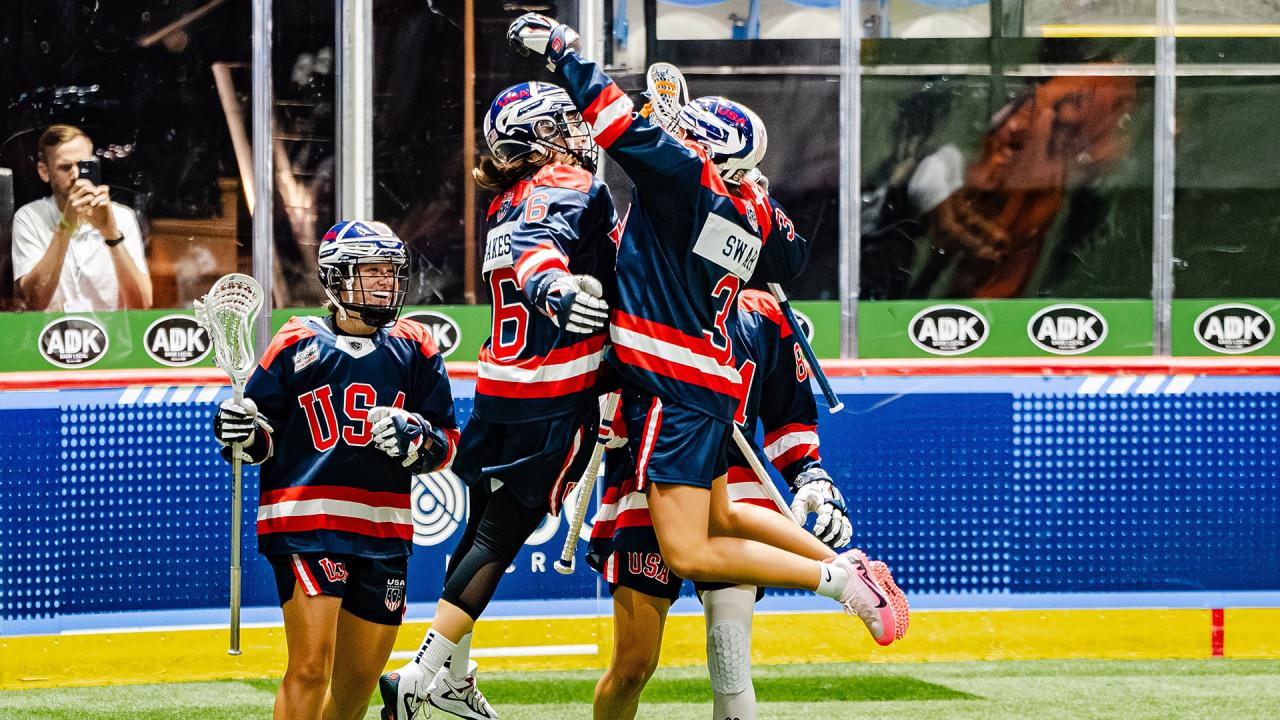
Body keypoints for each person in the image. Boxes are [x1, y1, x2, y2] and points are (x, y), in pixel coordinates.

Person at [507, 10, 908, 647]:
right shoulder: (749, 213)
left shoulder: (685, 181)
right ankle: (845, 563)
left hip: (673, 389)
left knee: (691, 550)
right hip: (710, 385)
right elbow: (791, 253)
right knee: (723, 513)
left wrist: (564, 51)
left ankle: (839, 582)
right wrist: (751, 186)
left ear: (707, 154)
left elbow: (615, 122)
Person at [379, 81, 620, 720]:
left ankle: (451, 679)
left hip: (499, 388)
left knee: (480, 532)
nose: (578, 131)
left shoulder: (503, 200)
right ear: (536, 137)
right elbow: (542, 251)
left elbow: (528, 244)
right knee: (501, 536)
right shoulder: (571, 183)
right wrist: (557, 288)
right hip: (557, 388)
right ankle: (423, 673)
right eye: (564, 122)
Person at [587, 286, 898, 720]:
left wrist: (809, 475)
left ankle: (844, 575)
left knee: (729, 660)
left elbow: (789, 412)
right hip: (648, 485)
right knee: (632, 668)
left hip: (732, 483)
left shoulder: (759, 313)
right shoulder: (643, 299)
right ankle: (841, 572)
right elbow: (611, 413)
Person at [211, 220, 459, 720]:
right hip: (307, 524)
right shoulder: (295, 341)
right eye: (370, 272)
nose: (385, 284)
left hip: (384, 531)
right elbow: (258, 441)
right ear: (335, 278)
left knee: (357, 684)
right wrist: (237, 431)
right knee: (309, 668)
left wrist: (418, 437)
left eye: (391, 273)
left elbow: (449, 443)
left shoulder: (416, 345)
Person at [11, 123, 152, 311]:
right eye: (65, 167)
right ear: (45, 172)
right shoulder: (29, 218)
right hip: (53, 337)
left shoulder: (122, 217)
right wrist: (65, 227)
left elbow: (142, 305)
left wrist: (111, 235)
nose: (75, 175)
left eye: (83, 165)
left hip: (112, 337)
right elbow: (32, 302)